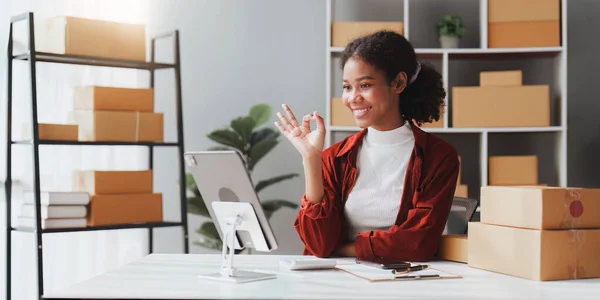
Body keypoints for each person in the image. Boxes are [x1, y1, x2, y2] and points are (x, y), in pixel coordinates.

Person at [274, 30, 459, 263]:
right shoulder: (335, 157)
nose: (352, 98)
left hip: (402, 282)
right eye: (347, 87)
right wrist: (311, 159)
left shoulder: (438, 157)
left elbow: (417, 243)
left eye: (364, 85)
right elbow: (319, 244)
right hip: (338, 281)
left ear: (399, 83)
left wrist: (343, 249)